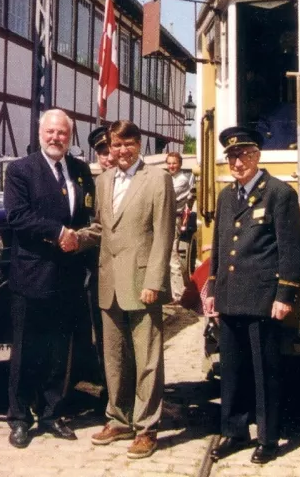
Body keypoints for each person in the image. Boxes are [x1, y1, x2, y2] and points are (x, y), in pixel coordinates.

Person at [205, 126, 300, 465]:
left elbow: (292, 249)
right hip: (231, 297)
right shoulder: (226, 196)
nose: (237, 162)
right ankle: (233, 431)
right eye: (231, 156)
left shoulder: (279, 193)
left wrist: (285, 294)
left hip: (263, 299)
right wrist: (211, 288)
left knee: (265, 372)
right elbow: (220, 247)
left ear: (257, 156)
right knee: (231, 371)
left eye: (243, 154)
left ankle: (268, 438)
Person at [3, 108, 96, 449]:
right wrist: (58, 232)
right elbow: (17, 216)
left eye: (62, 133)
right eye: (51, 132)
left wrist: (80, 239)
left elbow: (87, 214)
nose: (56, 138)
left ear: (70, 136)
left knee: (60, 350)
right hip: (33, 273)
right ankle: (19, 419)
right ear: (40, 133)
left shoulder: (81, 170)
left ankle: (52, 413)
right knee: (27, 349)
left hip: (69, 275)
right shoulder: (20, 170)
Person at [89, 120, 175, 460]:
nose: (121, 151)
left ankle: (147, 428)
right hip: (109, 281)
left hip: (142, 284)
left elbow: (164, 233)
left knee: (147, 359)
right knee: (114, 357)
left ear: (139, 144)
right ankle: (119, 418)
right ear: (109, 146)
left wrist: (154, 281)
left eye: (128, 144)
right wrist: (75, 237)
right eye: (115, 145)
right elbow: (100, 228)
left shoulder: (157, 178)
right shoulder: (103, 180)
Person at [165, 151, 194, 302]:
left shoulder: (181, 180)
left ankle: (179, 294)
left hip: (173, 219)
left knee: (172, 255)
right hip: (167, 218)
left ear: (180, 164)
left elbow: (166, 196)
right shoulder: (171, 178)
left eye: (174, 163)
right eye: (169, 163)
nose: (171, 166)